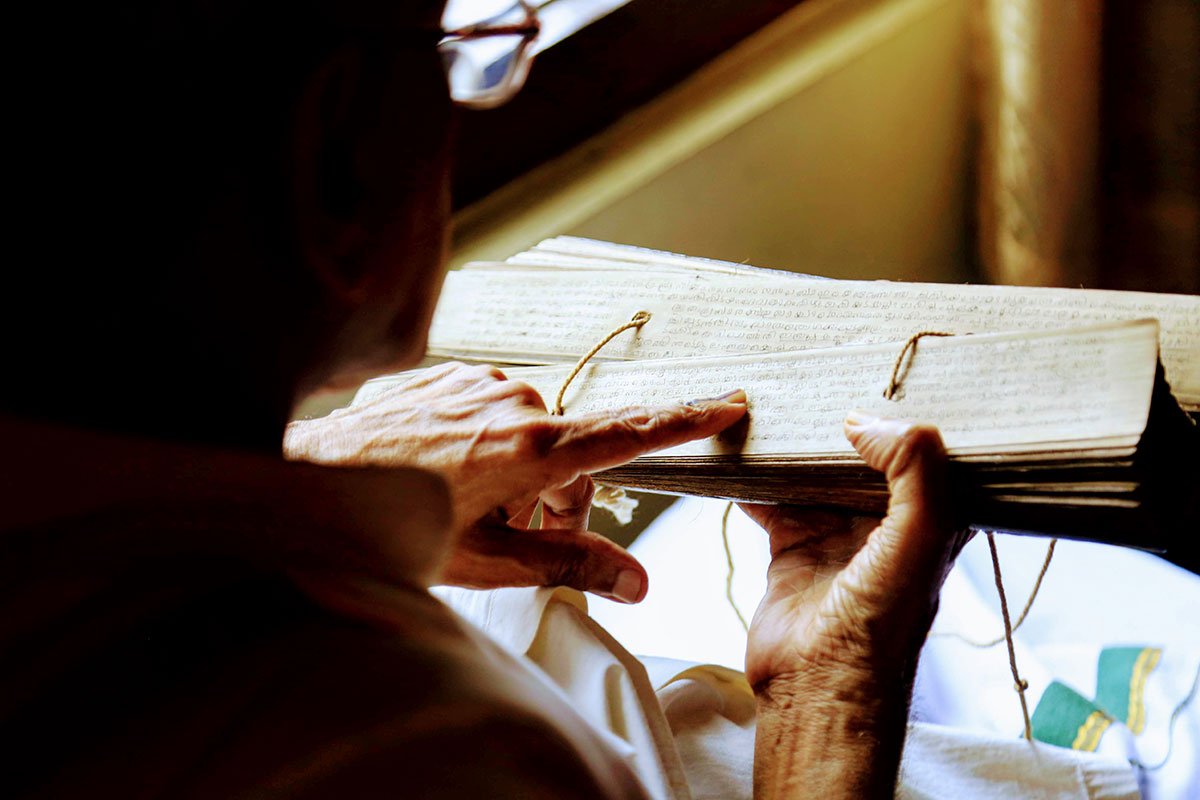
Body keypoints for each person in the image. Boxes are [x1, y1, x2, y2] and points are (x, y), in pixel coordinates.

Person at [1, 1, 963, 796]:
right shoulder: (432, 751)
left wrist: (308, 476)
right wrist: (826, 703)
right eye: (453, 53)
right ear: (336, 151)